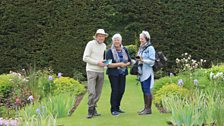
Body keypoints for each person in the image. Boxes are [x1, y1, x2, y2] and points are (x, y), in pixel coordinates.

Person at [83, 29, 108, 118]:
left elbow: (104, 59)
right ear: (96, 36)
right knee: (92, 91)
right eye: (100, 36)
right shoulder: (90, 44)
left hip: (100, 71)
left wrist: (106, 64)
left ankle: (94, 108)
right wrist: (97, 62)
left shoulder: (104, 46)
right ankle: (90, 110)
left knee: (98, 92)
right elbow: (85, 58)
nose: (101, 38)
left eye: (103, 36)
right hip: (91, 70)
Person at [106, 33, 131, 116]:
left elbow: (129, 61)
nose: (117, 41)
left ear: (121, 41)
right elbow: (108, 64)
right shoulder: (109, 51)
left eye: (118, 40)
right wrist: (120, 64)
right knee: (115, 90)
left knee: (121, 91)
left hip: (122, 73)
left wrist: (125, 65)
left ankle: (118, 107)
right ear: (113, 41)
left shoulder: (125, 49)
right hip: (113, 74)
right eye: (115, 40)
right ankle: (113, 109)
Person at [136, 31, 155, 115]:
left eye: (142, 38)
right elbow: (139, 57)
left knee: (147, 89)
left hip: (147, 72)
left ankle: (148, 109)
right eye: (140, 38)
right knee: (144, 89)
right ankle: (145, 108)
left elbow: (152, 61)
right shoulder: (141, 47)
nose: (140, 40)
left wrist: (142, 60)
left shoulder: (150, 48)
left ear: (147, 38)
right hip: (141, 72)